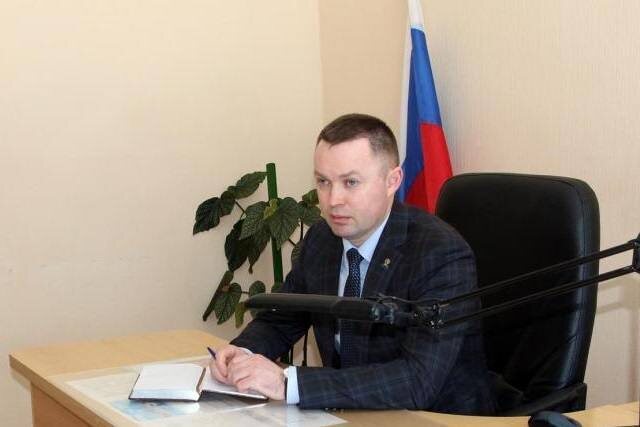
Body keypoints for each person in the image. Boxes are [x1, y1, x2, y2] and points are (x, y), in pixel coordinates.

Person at [210, 113, 495, 414]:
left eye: (351, 182)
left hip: (436, 417)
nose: (333, 200)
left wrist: (288, 383)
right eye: (323, 182)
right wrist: (242, 352)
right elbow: (284, 317)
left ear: (392, 181)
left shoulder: (440, 253)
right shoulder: (323, 238)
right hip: (350, 411)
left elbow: (416, 381)